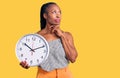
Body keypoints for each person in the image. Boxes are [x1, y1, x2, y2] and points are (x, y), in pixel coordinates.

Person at [20, 2, 78, 78]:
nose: (58, 15)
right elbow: (30, 57)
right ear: (45, 16)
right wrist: (27, 64)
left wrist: (62, 36)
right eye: (54, 12)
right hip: (44, 75)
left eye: (59, 12)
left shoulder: (67, 35)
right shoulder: (37, 38)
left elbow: (73, 58)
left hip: (65, 74)